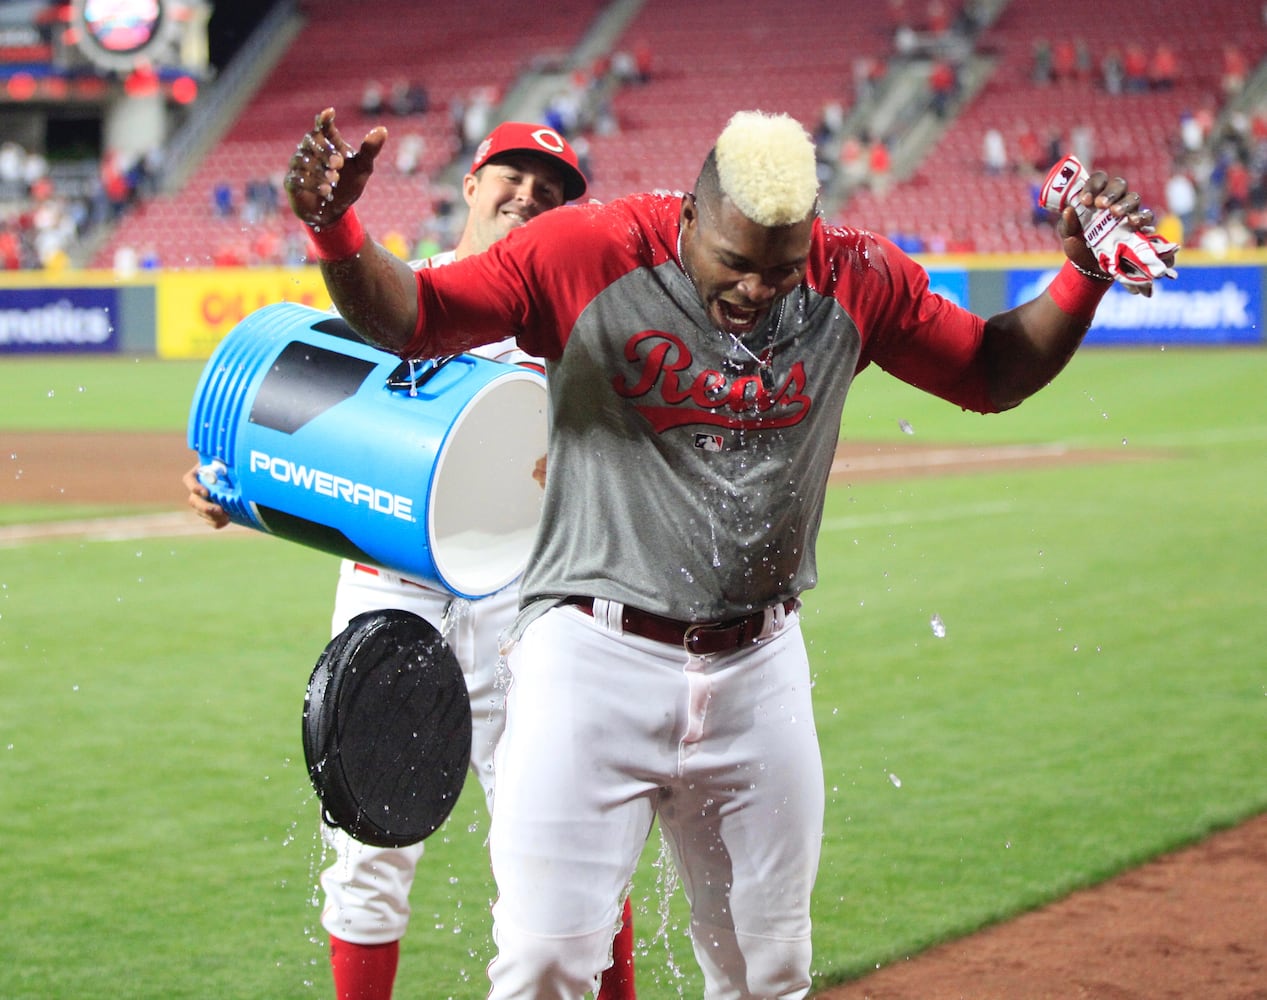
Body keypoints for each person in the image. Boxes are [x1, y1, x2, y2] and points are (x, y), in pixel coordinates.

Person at [285, 106, 1171, 997]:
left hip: (759, 667)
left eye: (782, 268)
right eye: (735, 263)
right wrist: (336, 228)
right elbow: (419, 315)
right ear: (689, 219)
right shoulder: (588, 250)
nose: (758, 290)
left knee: (766, 970)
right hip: (588, 655)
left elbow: (987, 372)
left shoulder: (856, 275)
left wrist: (1080, 279)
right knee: (546, 962)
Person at [184, 121, 637, 1000]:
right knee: (367, 854)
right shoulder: (388, 293)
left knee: (566, 856)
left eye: (550, 195)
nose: (529, 198)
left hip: (526, 614)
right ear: (470, 182)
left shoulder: (582, 329)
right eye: (513, 177)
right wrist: (231, 486)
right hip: (389, 599)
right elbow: (301, 420)